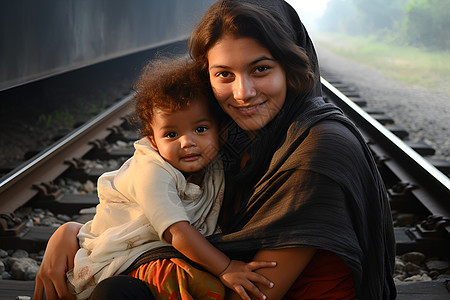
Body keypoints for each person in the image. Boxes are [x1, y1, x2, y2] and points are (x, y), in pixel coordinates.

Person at [33, 1, 397, 299]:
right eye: (224, 74)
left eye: (261, 69)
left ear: (291, 67)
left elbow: (256, 293)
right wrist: (72, 234)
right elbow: (159, 216)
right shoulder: (232, 138)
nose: (243, 93)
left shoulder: (317, 150)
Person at [66, 57, 275, 300]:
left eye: (200, 129)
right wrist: (227, 268)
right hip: (123, 260)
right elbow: (178, 233)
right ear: (153, 140)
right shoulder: (151, 171)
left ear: (219, 129)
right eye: (172, 134)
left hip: (162, 255)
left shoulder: (215, 162)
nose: (187, 142)